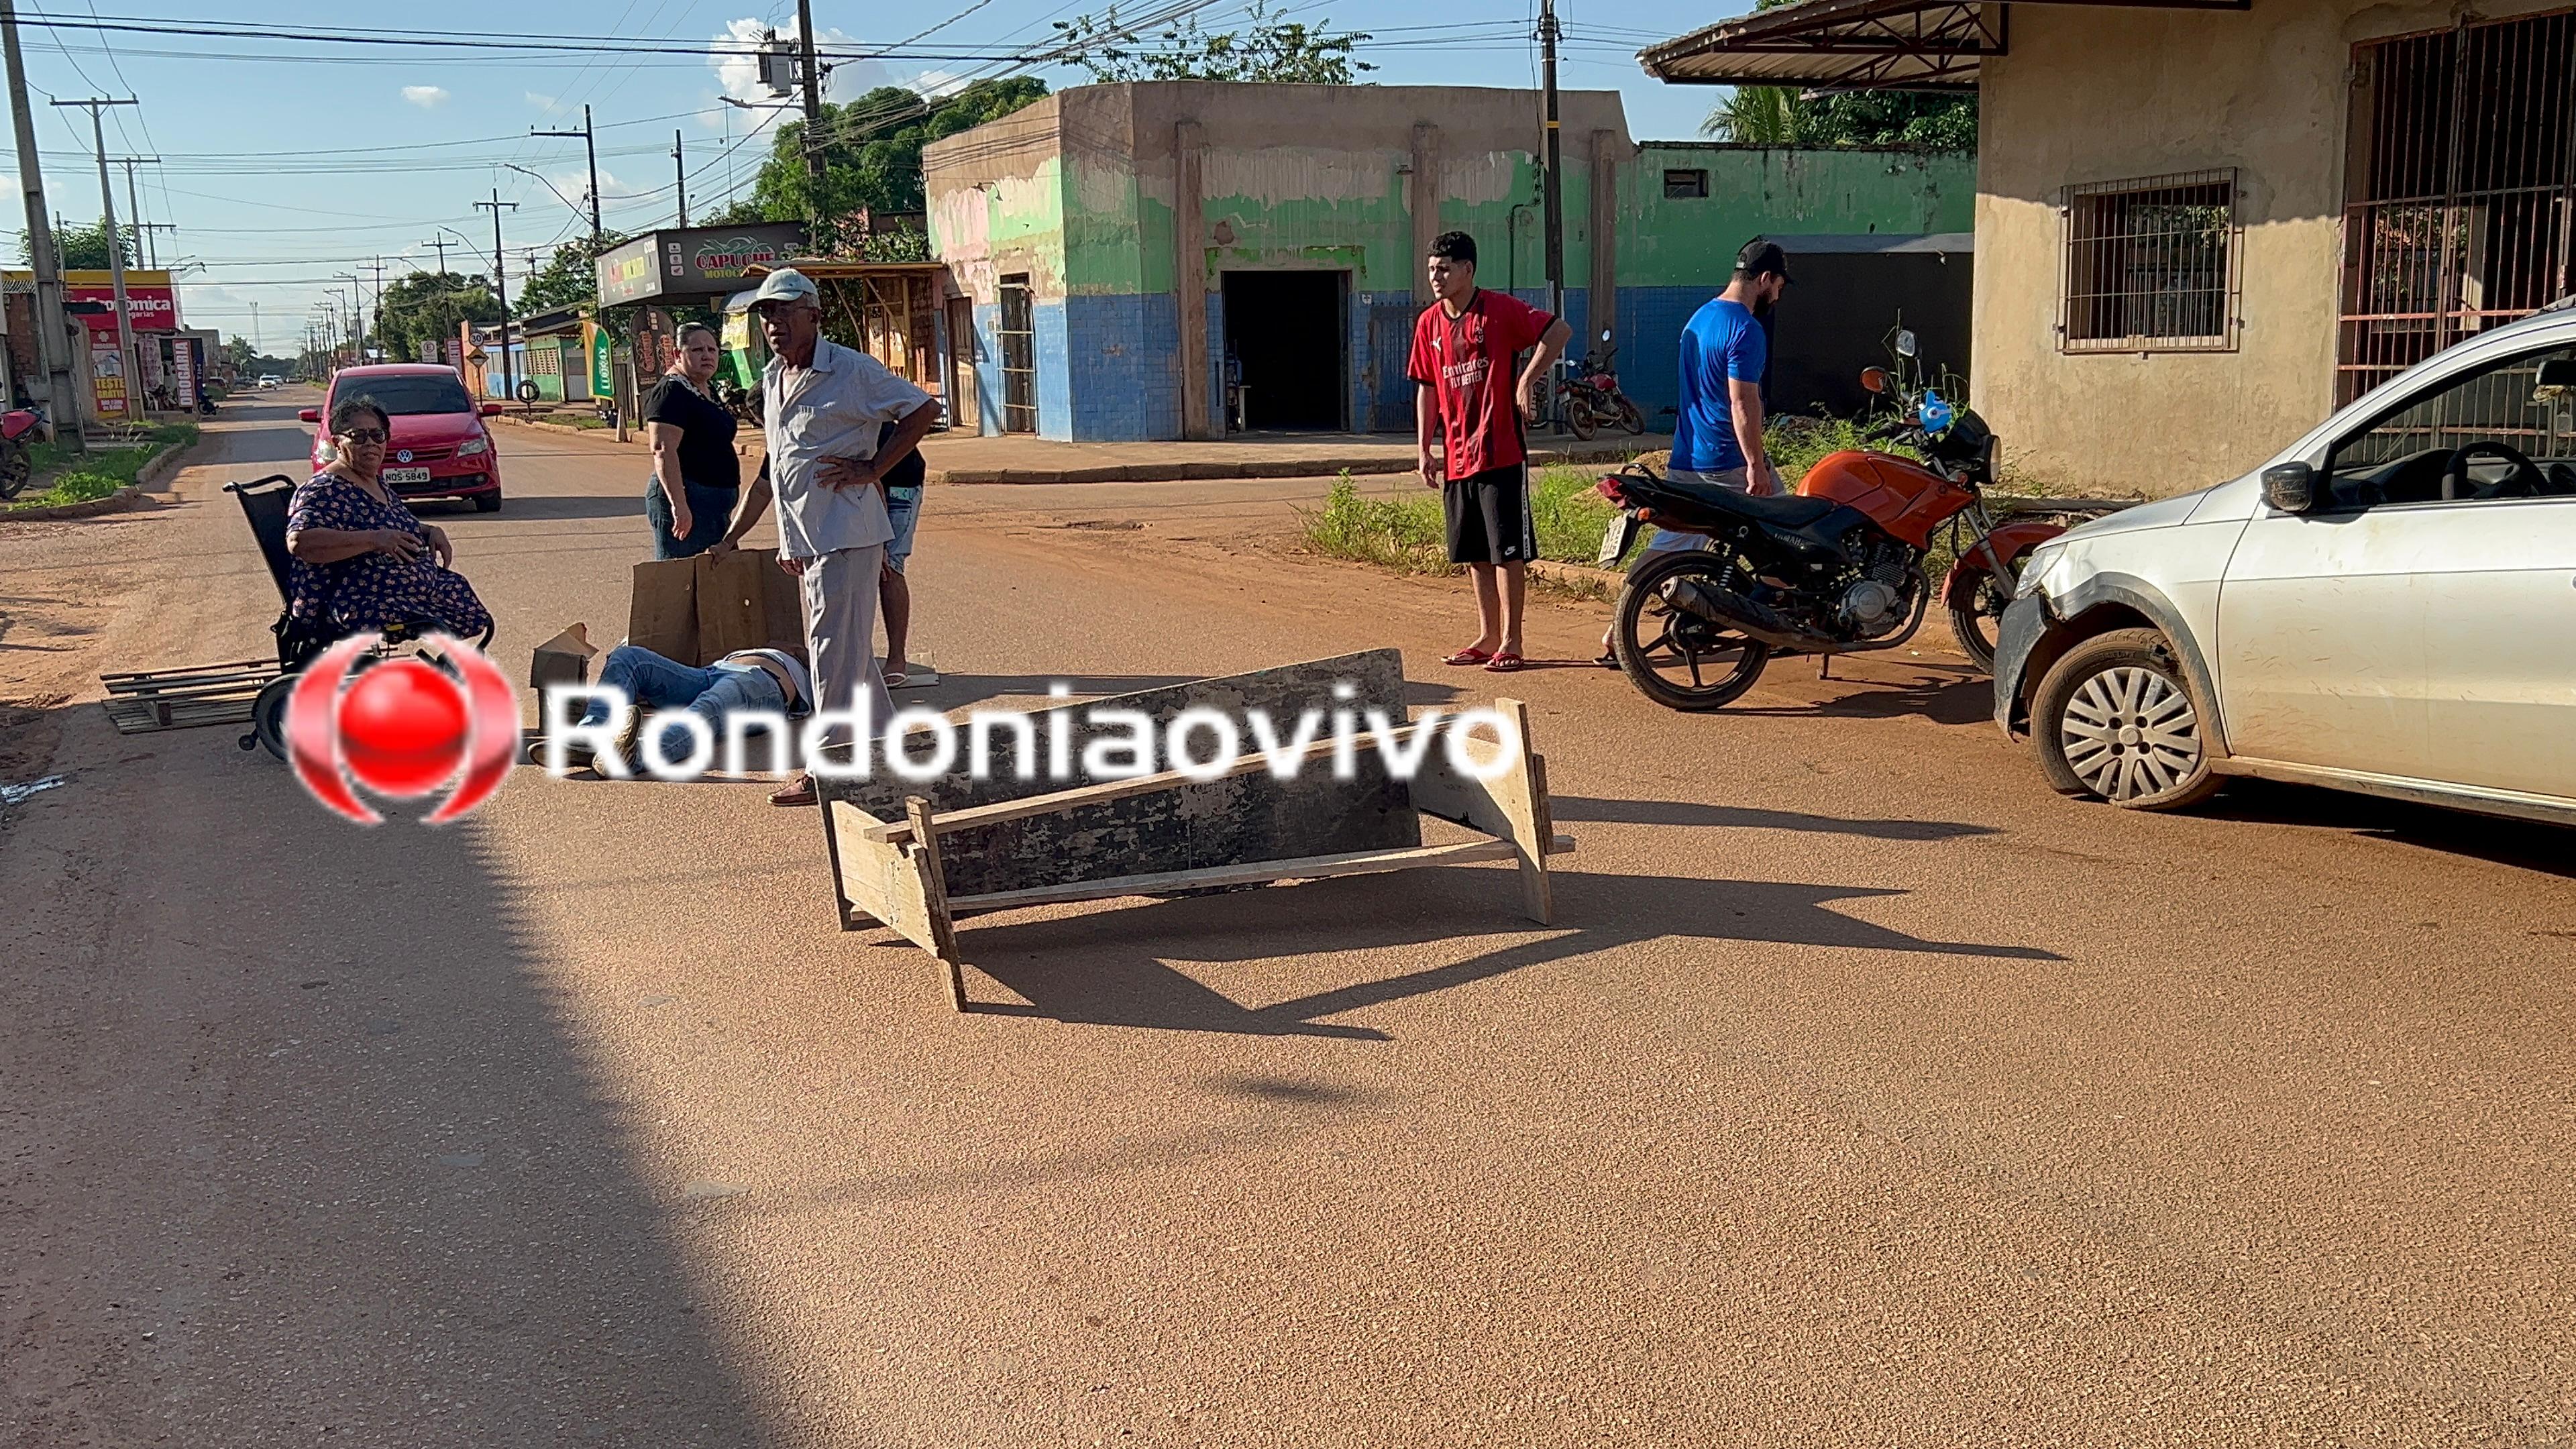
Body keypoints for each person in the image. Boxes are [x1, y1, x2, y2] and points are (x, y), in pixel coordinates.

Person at [748, 267, 941, 808]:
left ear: (815, 314)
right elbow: (786, 466)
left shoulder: (852, 371)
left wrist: (873, 469)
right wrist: (790, 541)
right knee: (848, 655)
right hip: (812, 539)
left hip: (849, 532)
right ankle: (891, 753)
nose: (775, 323)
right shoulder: (773, 378)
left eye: (785, 310)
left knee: (831, 653)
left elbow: (922, 409)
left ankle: (826, 768)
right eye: (767, 313)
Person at [1599, 237, 1791, 666]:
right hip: (1727, 460)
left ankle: (1617, 629)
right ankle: (1779, 623)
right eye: (1778, 286)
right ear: (1764, 279)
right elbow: (1743, 402)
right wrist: (1755, 465)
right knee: (1789, 533)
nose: (1777, 296)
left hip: (1687, 456)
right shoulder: (1745, 328)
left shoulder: (1699, 319)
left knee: (1673, 541)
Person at [1409, 229, 1570, 674]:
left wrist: (1526, 379)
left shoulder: (1499, 310)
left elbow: (1558, 331)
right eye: (1431, 269)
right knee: (1474, 553)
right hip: (1457, 456)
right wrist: (1424, 448)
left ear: (1468, 270)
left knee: (1506, 552)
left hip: (1500, 452)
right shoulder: (1429, 324)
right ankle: (1486, 636)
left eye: (1444, 268)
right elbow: (1427, 387)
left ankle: (1512, 640)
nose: (1436, 277)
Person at [284, 394, 492, 641]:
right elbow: (300, 542)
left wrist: (428, 531)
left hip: (405, 593)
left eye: (378, 435)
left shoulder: (373, 482)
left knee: (465, 604)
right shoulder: (325, 489)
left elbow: (388, 524)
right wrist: (375, 540)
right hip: (355, 602)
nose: (370, 443)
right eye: (359, 436)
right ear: (337, 443)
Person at [543, 642, 810, 774]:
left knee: (709, 709)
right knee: (629, 657)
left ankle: (632, 756)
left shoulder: (816, 664)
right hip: (712, 672)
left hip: (762, 686)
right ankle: (590, 734)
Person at [644, 323, 753, 559]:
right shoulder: (671, 391)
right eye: (697, 350)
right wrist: (680, 506)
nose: (707, 356)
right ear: (677, 354)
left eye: (712, 350)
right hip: (688, 505)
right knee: (680, 582)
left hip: (715, 509)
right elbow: (663, 450)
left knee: (719, 582)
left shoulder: (705, 388)